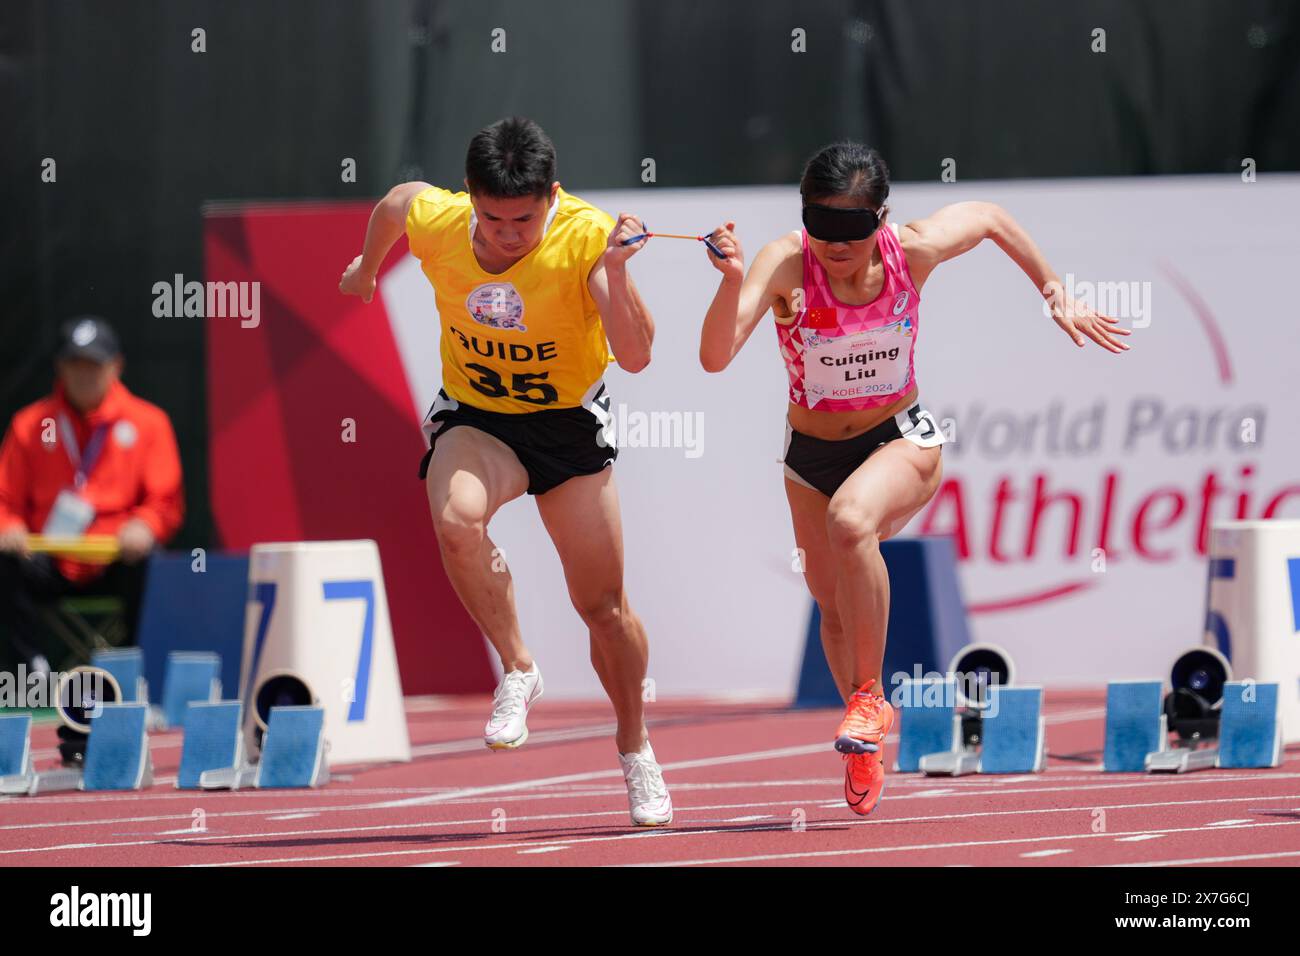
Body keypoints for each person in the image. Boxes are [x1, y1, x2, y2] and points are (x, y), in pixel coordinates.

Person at [697, 142, 1128, 816]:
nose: (837, 246)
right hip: (809, 458)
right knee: (830, 607)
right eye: (823, 225)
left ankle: (871, 700)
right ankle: (863, 742)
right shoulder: (785, 263)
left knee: (852, 521)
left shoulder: (913, 250)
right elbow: (715, 357)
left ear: (881, 219)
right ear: (804, 214)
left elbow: (989, 217)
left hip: (901, 438)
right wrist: (729, 281)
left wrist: (1055, 292)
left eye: (854, 228)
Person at [339, 116, 672, 826]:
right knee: (456, 517)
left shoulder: (585, 236)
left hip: (567, 429)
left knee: (604, 611)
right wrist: (366, 268)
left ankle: (635, 748)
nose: (509, 234)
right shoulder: (440, 220)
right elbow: (397, 202)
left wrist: (614, 270)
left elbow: (638, 355)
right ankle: (519, 667)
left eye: (524, 219)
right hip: (478, 416)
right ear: (470, 197)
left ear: (551, 197)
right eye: (493, 219)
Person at [0, 316, 185, 673]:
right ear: (60, 368)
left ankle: (134, 672)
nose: (84, 374)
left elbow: (165, 501)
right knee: (3, 563)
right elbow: (5, 498)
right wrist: (9, 527)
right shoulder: (30, 424)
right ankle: (30, 674)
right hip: (48, 559)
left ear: (116, 366)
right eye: (75, 364)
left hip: (115, 558)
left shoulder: (149, 423)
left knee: (153, 564)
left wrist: (144, 527)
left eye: (94, 365)